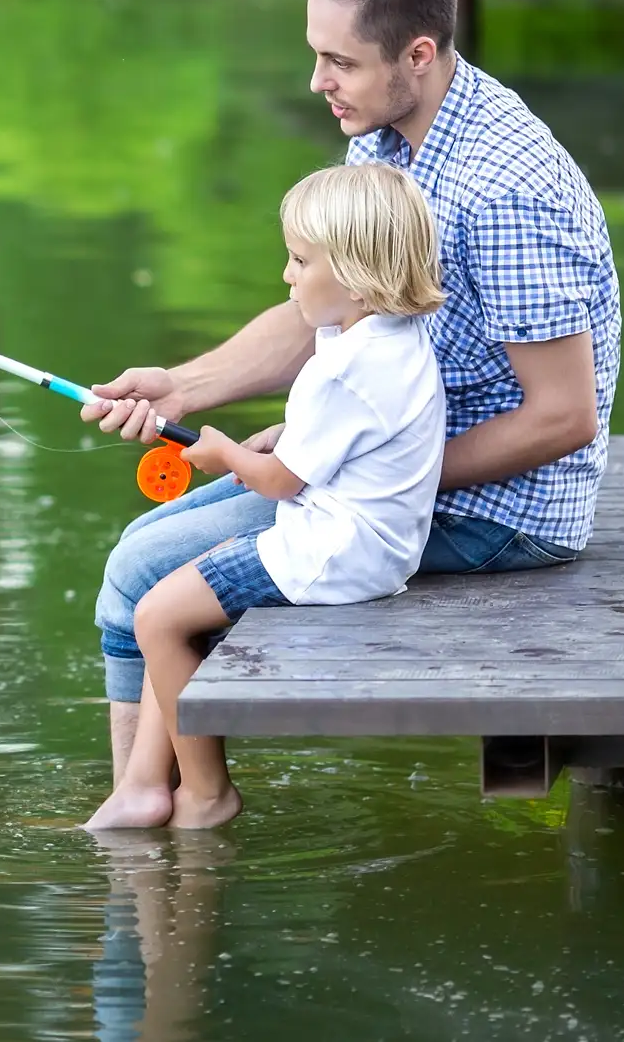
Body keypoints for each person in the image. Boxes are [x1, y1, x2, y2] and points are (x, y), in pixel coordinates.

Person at [85, 0, 622, 786]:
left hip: (504, 514)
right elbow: (326, 312)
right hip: (388, 468)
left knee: (143, 569)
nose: (316, 81)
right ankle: (153, 811)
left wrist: (352, 467)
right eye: (316, 53)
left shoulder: (507, 190)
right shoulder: (384, 132)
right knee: (148, 543)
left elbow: (563, 416)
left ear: (417, 53)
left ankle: (158, 829)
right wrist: (184, 387)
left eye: (340, 62)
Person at [84, 163, 447, 829]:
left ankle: (203, 793)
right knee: (169, 595)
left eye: (300, 260)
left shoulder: (342, 368)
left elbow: (283, 481)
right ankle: (142, 783)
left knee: (158, 616)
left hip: (330, 552)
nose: (286, 275)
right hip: (367, 543)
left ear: (358, 273)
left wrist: (224, 453)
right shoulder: (386, 338)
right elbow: (347, 436)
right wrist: (280, 435)